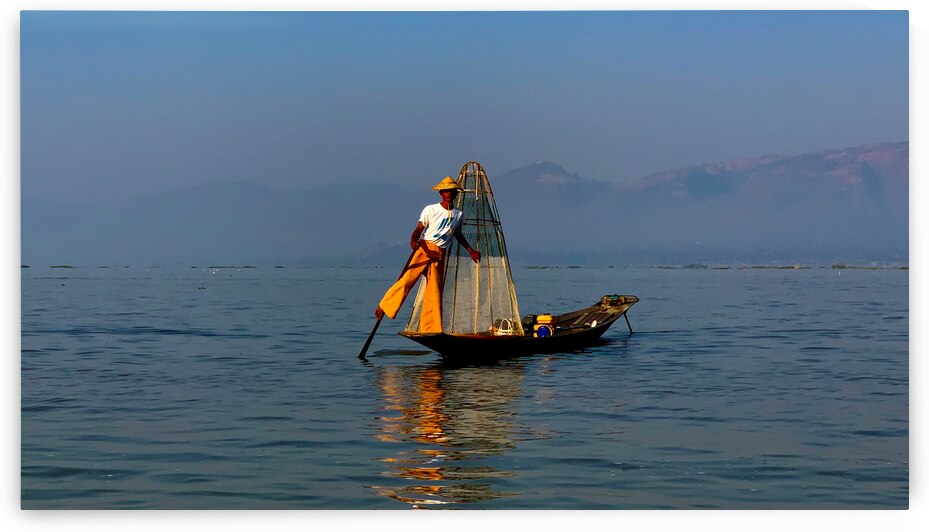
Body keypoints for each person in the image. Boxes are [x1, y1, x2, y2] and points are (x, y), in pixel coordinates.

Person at [375, 176, 481, 333]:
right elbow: (418, 230)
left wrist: (471, 250)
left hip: (439, 254)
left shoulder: (458, 214)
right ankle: (385, 306)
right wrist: (413, 241)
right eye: (446, 191)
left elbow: (457, 234)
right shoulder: (430, 210)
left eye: (452, 191)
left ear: (456, 194)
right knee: (407, 280)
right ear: (441, 193)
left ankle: (430, 327)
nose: (449, 194)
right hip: (425, 249)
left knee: (434, 290)